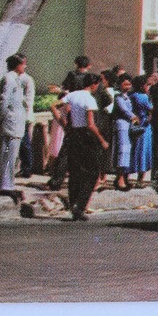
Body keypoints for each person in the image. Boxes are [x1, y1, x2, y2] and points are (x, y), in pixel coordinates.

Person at [52, 71, 108, 221]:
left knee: (75, 170)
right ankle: (80, 206)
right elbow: (91, 125)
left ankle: (73, 204)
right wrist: (102, 140)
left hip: (73, 134)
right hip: (86, 136)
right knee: (91, 172)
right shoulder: (90, 100)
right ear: (94, 84)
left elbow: (53, 106)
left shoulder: (72, 95)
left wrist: (64, 124)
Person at [48, 55, 92, 190]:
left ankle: (57, 180)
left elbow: (63, 93)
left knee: (66, 150)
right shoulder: (90, 79)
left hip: (71, 112)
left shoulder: (72, 76)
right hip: (84, 113)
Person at [0, 54, 28, 200]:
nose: (25, 66)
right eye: (23, 64)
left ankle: (9, 183)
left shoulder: (17, 79)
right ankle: (5, 185)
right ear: (17, 65)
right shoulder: (9, 78)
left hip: (16, 122)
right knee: (8, 153)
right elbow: (4, 100)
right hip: (11, 121)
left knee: (12, 154)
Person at [112, 73, 136, 191]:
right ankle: (120, 179)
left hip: (128, 126)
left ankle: (123, 178)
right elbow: (126, 111)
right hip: (122, 125)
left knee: (127, 151)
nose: (128, 86)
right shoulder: (119, 98)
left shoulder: (127, 97)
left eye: (129, 84)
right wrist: (135, 118)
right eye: (125, 84)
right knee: (122, 151)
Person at [130, 74, 153, 188]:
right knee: (143, 152)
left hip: (136, 124)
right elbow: (151, 109)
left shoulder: (133, 95)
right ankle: (140, 179)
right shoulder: (143, 97)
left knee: (136, 150)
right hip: (144, 125)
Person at [17, 55, 36, 178]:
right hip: (15, 115)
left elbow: (29, 99)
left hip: (23, 115)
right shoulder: (12, 78)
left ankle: (27, 168)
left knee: (24, 142)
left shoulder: (27, 79)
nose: (25, 66)